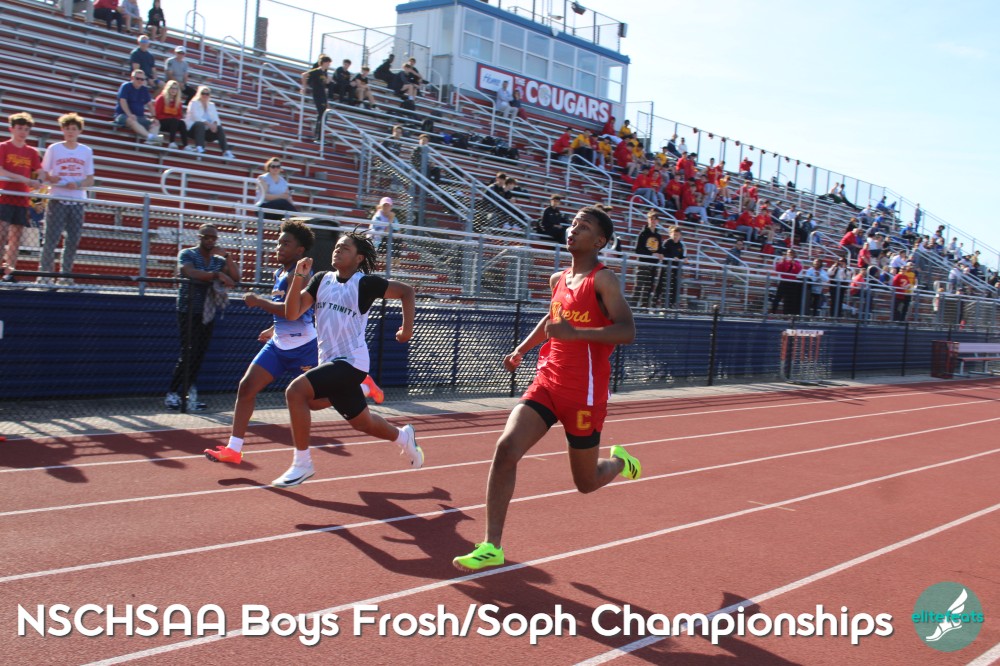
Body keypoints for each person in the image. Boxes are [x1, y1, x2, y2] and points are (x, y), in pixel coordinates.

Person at [453, 206, 639, 572]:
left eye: (583, 227)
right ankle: (492, 545)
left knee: (586, 482)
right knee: (506, 448)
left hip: (584, 395)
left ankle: (620, 462)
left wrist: (576, 333)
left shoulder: (604, 280)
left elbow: (627, 330)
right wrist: (522, 349)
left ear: (599, 241)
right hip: (548, 383)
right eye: (573, 224)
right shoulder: (559, 279)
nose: (573, 230)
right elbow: (551, 319)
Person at [204, 221, 384, 465]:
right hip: (279, 344)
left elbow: (294, 312)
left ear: (300, 250)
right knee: (246, 387)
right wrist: (273, 329)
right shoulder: (279, 273)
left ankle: (362, 386)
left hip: (304, 347)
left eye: (286, 244)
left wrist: (259, 302)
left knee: (314, 401)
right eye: (279, 242)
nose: (279, 247)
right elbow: (289, 311)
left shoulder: (302, 275)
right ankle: (233, 449)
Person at [275, 231, 420, 488]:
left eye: (345, 248)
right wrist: (298, 276)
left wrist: (407, 330)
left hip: (352, 362)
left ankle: (302, 463)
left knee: (295, 392)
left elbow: (406, 292)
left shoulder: (364, 284)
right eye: (337, 247)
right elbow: (292, 312)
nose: (338, 250)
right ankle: (403, 436)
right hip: (330, 362)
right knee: (361, 423)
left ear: (358, 258)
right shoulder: (321, 280)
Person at [165, 224, 239, 411]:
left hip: (207, 311)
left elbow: (236, 277)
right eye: (206, 237)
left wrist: (227, 256)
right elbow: (189, 272)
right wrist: (216, 275)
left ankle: (189, 393)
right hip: (188, 309)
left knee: (199, 353)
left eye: (213, 238)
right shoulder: (188, 254)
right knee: (188, 351)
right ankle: (172, 393)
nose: (210, 241)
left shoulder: (217, 260)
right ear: (199, 237)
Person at [37, 113, 95, 286]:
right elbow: (44, 172)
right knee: (51, 238)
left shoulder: (86, 151)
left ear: (79, 131)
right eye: (67, 128)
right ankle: (44, 275)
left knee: (73, 239)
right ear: (62, 130)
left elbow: (90, 179)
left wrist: (77, 184)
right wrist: (52, 178)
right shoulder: (54, 149)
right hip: (57, 198)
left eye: (74, 129)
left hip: (77, 200)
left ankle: (65, 275)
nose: (70, 132)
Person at [0, 112, 42, 283]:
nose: (23, 132)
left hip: (22, 198)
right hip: (5, 195)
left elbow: (39, 171)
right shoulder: (3, 147)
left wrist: (39, 180)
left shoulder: (31, 151)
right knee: (2, 234)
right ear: (12, 129)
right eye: (19, 128)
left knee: (16, 237)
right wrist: (23, 178)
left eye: (26, 129)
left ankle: (9, 271)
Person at [113, 69, 161, 145]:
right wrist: (129, 114)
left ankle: (150, 141)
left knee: (156, 123)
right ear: (132, 78)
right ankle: (151, 137)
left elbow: (150, 105)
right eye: (137, 78)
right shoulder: (126, 86)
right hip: (123, 115)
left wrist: (154, 117)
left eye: (142, 79)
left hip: (139, 117)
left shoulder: (144, 89)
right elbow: (123, 101)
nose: (140, 81)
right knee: (131, 120)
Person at [185, 86, 234, 159]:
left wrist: (214, 124)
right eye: (203, 93)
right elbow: (195, 117)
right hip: (193, 130)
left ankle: (226, 151)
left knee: (219, 128)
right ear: (199, 94)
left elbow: (216, 118)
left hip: (206, 132)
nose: (205, 95)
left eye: (207, 94)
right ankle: (199, 147)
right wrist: (209, 124)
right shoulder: (194, 103)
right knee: (200, 124)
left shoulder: (211, 105)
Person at [633, 209, 664, 309]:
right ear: (648, 220)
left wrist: (661, 254)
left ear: (658, 221)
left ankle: (644, 309)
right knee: (638, 287)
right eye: (651, 219)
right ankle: (632, 309)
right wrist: (652, 254)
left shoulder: (658, 236)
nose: (653, 221)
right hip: (643, 264)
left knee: (648, 289)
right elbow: (638, 250)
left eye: (655, 219)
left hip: (653, 265)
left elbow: (660, 250)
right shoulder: (643, 233)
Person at [301, 55, 331, 142]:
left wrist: (327, 101)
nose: (329, 65)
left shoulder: (325, 73)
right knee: (322, 115)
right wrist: (304, 87)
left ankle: (320, 136)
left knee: (324, 116)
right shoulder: (316, 71)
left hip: (323, 95)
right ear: (324, 62)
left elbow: (324, 87)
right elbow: (304, 75)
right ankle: (318, 137)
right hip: (317, 95)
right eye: (328, 63)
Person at [154, 80, 190, 150]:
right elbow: (157, 114)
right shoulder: (161, 98)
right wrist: (170, 117)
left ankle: (186, 145)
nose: (174, 90)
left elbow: (179, 115)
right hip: (161, 122)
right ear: (168, 88)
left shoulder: (178, 101)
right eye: (172, 88)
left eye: (176, 88)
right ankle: (171, 142)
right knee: (174, 120)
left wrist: (172, 118)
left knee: (182, 123)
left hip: (173, 123)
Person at [661, 225, 685, 307]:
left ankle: (672, 305)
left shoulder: (680, 245)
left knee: (674, 288)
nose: (675, 236)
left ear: (680, 236)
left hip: (675, 270)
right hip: (666, 269)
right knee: (664, 287)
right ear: (671, 234)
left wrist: (684, 258)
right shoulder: (667, 242)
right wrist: (672, 257)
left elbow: (680, 256)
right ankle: (663, 306)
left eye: (677, 235)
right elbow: (663, 254)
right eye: (674, 234)